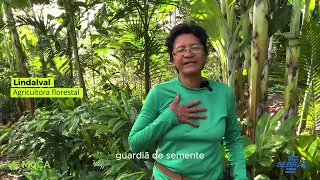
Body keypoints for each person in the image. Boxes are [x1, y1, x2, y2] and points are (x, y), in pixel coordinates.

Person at [128, 22, 247, 180]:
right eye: (180, 50)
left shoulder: (223, 93)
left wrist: (240, 177)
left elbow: (233, 140)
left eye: (195, 47)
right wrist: (169, 117)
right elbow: (134, 143)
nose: (188, 54)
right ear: (172, 60)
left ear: (205, 55)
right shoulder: (159, 93)